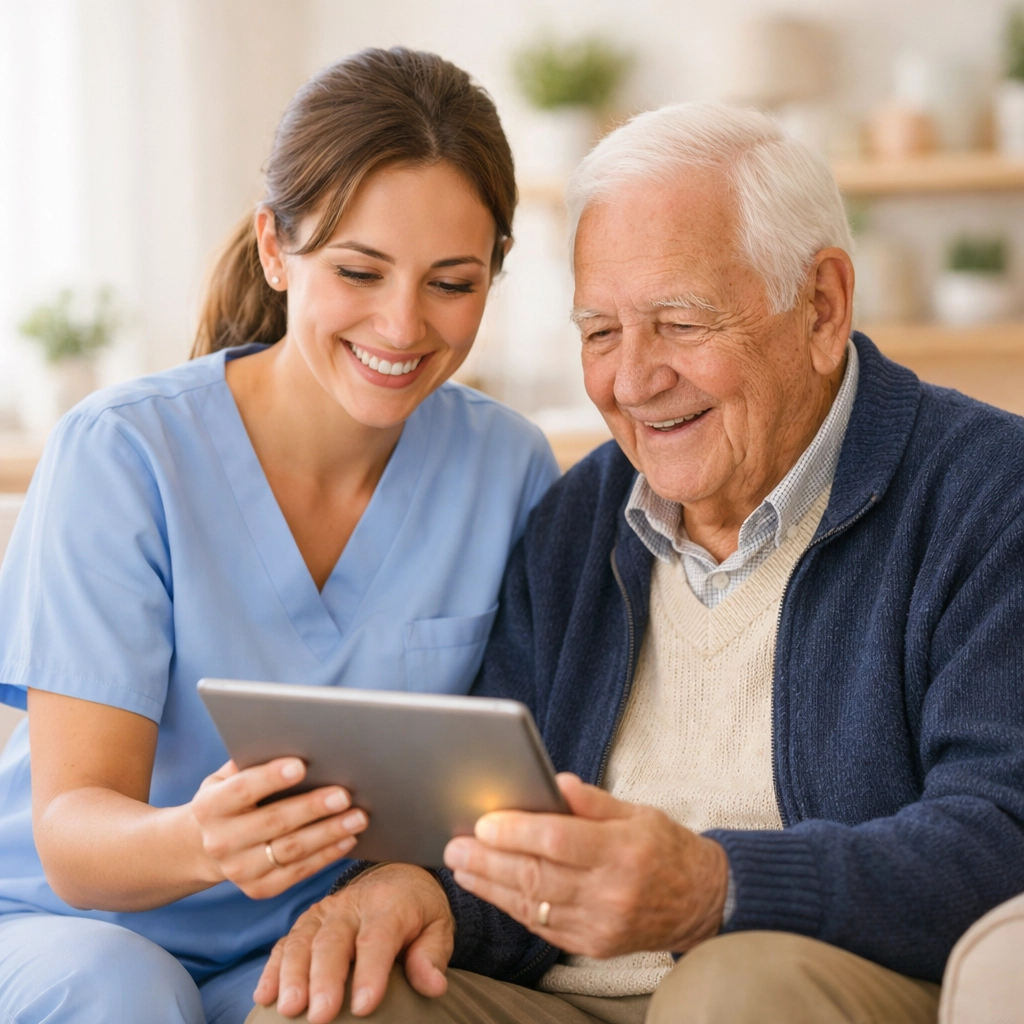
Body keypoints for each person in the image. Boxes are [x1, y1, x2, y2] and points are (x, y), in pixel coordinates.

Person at [250, 104, 1024, 1024]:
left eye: (679, 322)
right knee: (342, 999)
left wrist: (717, 888)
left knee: (728, 986)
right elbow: (495, 820)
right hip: (568, 993)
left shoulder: (987, 494)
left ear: (821, 306)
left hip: (814, 983)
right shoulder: (577, 520)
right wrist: (416, 885)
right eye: (600, 332)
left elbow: (1000, 830)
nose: (632, 380)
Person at [0, 48, 558, 1024]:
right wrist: (202, 842)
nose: (402, 324)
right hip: (74, 926)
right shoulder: (124, 453)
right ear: (274, 248)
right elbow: (73, 833)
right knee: (127, 992)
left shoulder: (508, 469)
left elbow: (513, 784)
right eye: (358, 270)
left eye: (452, 282)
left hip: (299, 946)